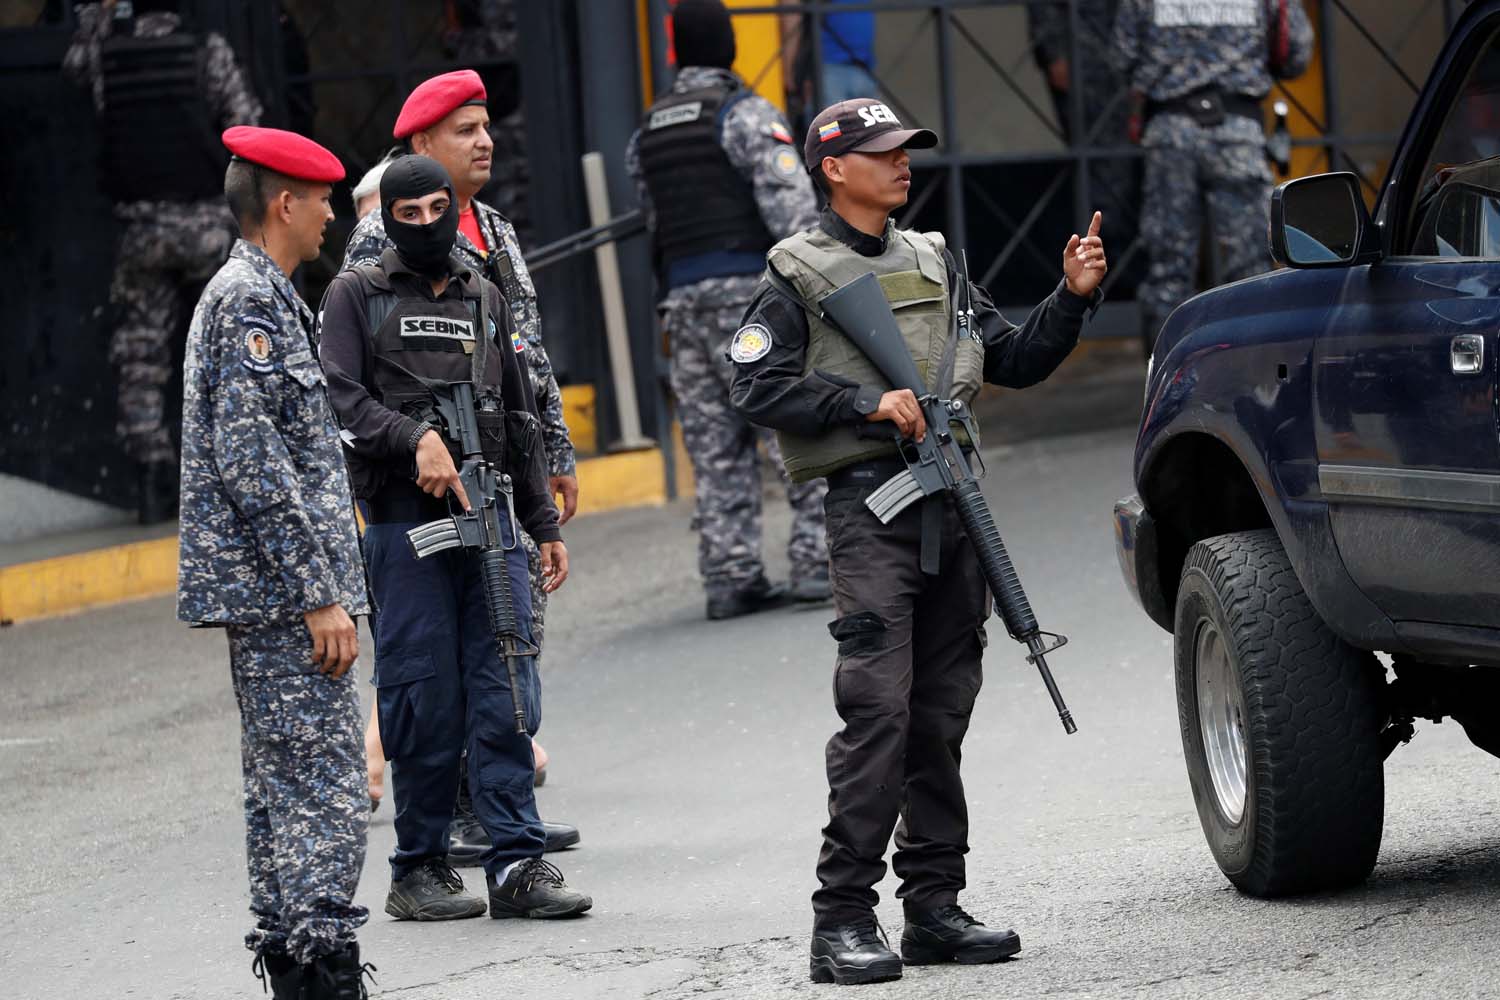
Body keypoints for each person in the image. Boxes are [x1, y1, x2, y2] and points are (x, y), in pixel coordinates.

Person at [729, 98, 1108, 985]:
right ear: (833, 167)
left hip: (952, 508)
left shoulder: (934, 259)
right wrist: (863, 403)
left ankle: (933, 907)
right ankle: (842, 919)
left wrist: (1074, 299)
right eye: (883, 153)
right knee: (878, 715)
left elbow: (1009, 358)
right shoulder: (796, 274)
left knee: (940, 716)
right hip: (871, 511)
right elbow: (754, 385)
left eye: (906, 151)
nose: (903, 165)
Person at [320, 154, 592, 923]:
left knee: (506, 689)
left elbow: (517, 417)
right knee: (422, 696)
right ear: (387, 220)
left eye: (439, 208)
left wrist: (541, 524)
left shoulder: (485, 297)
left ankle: (517, 862)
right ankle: (421, 865)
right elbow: (340, 401)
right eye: (409, 214)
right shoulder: (355, 295)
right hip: (408, 528)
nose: (428, 224)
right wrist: (412, 440)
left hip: (494, 520)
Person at [176, 125, 372, 999]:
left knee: (282, 787)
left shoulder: (260, 296)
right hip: (288, 598)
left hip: (274, 594)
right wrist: (317, 592)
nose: (331, 213)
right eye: (321, 198)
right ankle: (322, 969)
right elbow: (252, 459)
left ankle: (299, 966)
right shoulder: (249, 302)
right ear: (284, 203)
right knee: (323, 785)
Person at [625, 0, 830, 620]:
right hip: (749, 300)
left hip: (682, 307)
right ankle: (817, 560)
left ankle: (731, 574)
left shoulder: (649, 131)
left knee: (714, 447)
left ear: (674, 52)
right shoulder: (744, 116)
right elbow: (792, 214)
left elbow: (655, 224)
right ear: (731, 46)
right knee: (793, 427)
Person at [63, 0, 262, 524]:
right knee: (227, 348)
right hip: (204, 224)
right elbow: (247, 127)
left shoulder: (104, 50)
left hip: (142, 229)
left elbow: (72, 67)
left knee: (141, 355)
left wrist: (99, 16)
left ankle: (152, 479)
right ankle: (234, 469)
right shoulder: (205, 50)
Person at [1111, 0, 1313, 346]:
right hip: (1237, 130)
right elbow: (1296, 53)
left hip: (1170, 132)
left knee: (1168, 271)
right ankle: (1258, 372)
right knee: (1252, 267)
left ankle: (1166, 378)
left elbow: (1122, 55)